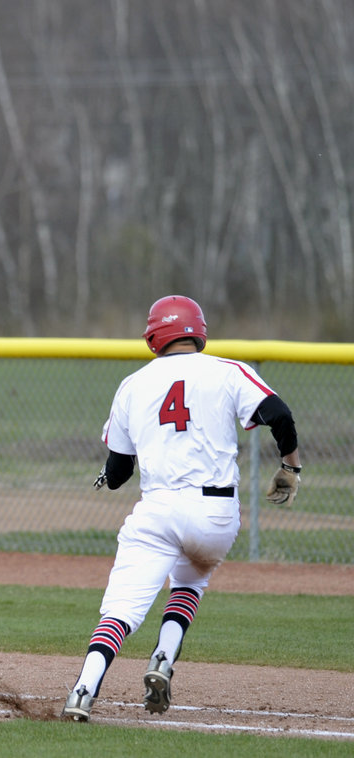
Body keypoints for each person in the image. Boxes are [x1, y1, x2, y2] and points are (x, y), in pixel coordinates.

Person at [62, 295, 301, 722]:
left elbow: (118, 471)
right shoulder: (229, 371)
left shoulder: (132, 384)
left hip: (157, 509)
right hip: (215, 514)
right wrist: (290, 467)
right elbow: (279, 414)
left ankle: (83, 691)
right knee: (188, 583)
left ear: (154, 336)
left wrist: (106, 476)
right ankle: (163, 657)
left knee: (120, 612)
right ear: (198, 332)